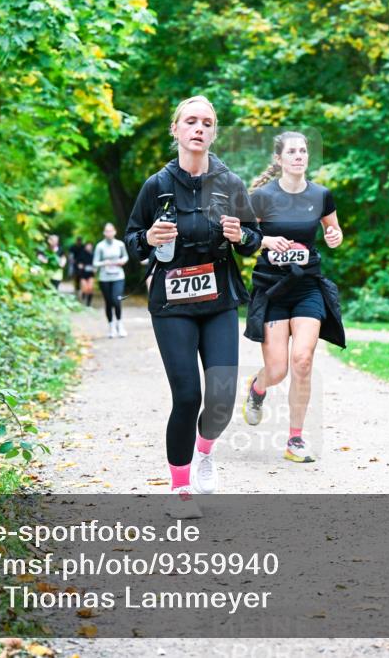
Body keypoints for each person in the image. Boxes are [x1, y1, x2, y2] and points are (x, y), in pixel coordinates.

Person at [125, 95, 262, 518]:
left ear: (213, 133)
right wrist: (148, 239)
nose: (198, 128)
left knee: (220, 399)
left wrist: (243, 237)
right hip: (173, 303)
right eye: (190, 121)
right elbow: (132, 241)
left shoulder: (231, 183)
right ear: (177, 131)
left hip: (219, 299)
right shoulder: (157, 186)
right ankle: (181, 487)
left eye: (207, 122)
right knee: (187, 396)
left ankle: (205, 452)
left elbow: (255, 238)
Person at [242, 131, 346, 464]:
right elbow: (243, 239)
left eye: (303, 150)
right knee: (278, 370)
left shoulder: (321, 195)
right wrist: (266, 242)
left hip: (307, 286)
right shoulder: (262, 197)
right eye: (292, 151)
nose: (299, 156)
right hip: (273, 288)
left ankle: (295, 439)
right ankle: (257, 388)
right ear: (279, 159)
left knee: (303, 360)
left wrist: (334, 236)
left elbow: (334, 231)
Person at [93, 222, 129, 338]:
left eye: (111, 230)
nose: (109, 233)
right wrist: (104, 263)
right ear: (104, 233)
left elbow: (125, 257)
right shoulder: (100, 246)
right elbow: (95, 262)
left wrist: (122, 261)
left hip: (118, 276)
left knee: (116, 300)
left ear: (115, 232)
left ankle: (120, 324)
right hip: (104, 277)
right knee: (108, 302)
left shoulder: (120, 244)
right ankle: (111, 326)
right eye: (106, 231)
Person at [75, 241, 96, 307]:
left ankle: (88, 304)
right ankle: (83, 296)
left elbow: (96, 264)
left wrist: (95, 268)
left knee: (90, 288)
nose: (89, 247)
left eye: (90, 246)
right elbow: (78, 263)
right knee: (85, 288)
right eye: (87, 246)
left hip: (91, 273)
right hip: (83, 274)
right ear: (85, 247)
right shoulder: (81, 254)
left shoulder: (94, 255)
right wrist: (80, 266)